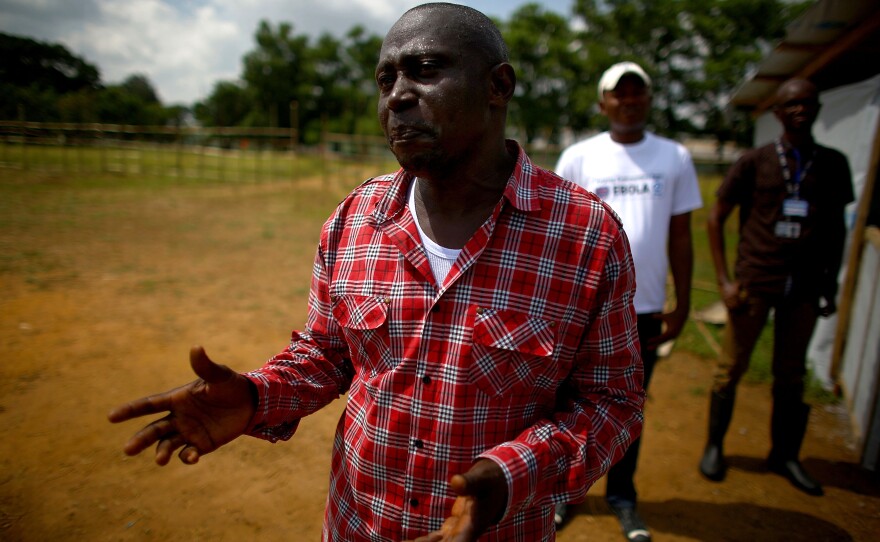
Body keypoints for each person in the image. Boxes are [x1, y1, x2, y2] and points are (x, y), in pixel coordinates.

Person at [108, 4, 645, 541]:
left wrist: (513, 474)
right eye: (386, 79)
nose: (398, 96)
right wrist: (255, 397)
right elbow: (326, 354)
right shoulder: (355, 221)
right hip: (356, 525)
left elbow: (612, 403)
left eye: (426, 70)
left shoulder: (585, 236)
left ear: (497, 86)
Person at [554, 61, 702, 541]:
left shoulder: (674, 157)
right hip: (584, 308)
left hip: (643, 309)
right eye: (620, 94)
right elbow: (559, 232)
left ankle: (622, 496)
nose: (629, 101)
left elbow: (681, 234)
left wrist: (681, 302)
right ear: (603, 103)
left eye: (638, 93)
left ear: (649, 101)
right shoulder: (579, 156)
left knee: (628, 408)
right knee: (568, 403)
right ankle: (565, 494)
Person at [699, 78, 853, 497]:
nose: (800, 109)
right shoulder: (755, 161)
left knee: (791, 374)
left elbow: (837, 229)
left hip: (803, 286)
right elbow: (717, 218)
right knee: (730, 368)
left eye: (808, 102)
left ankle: (785, 455)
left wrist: (830, 283)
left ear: (818, 108)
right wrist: (726, 281)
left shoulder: (833, 164)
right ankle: (714, 446)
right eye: (792, 104)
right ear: (778, 113)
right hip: (755, 282)